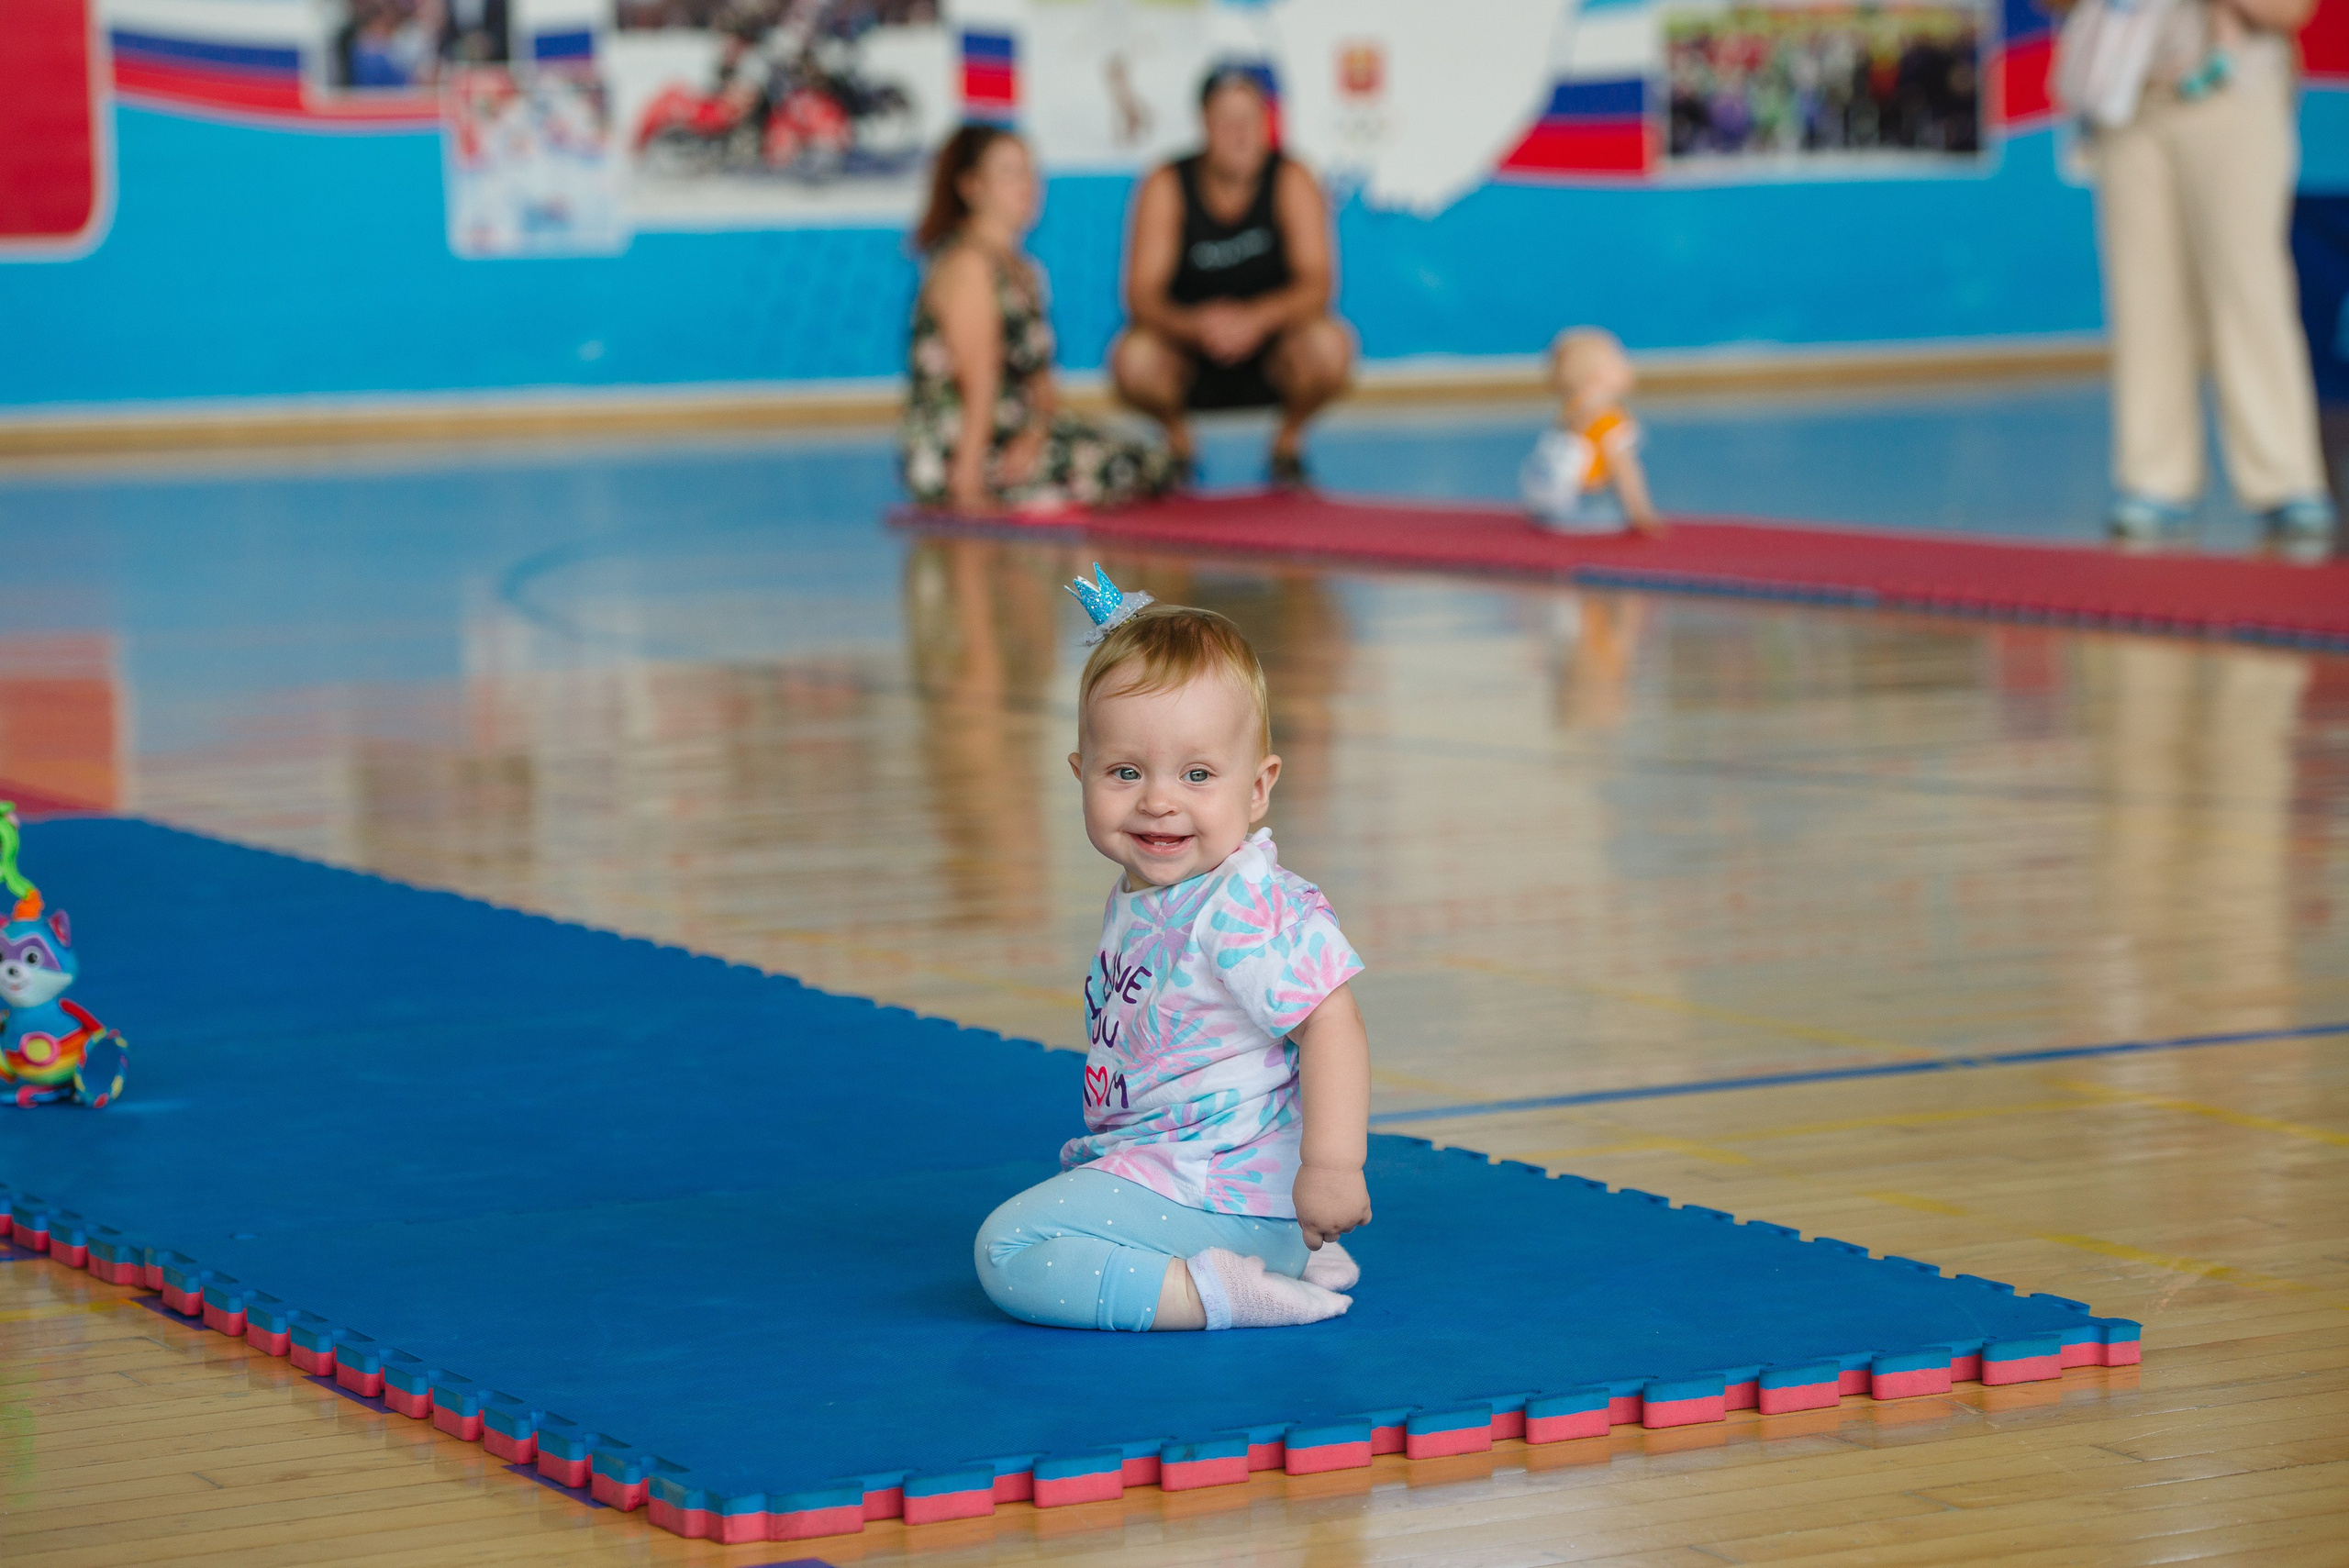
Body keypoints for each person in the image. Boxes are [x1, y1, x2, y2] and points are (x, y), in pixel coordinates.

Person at [973, 575, 1372, 1330]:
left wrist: (1331, 1167)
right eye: (1126, 772)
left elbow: (1331, 1021)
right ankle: (1278, 1253)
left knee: (1010, 1249)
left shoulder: (1242, 899)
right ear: (1080, 773)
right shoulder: (1151, 889)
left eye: (1196, 775)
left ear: (1257, 788)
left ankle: (1219, 1292)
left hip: (1221, 1190)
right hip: (1184, 1172)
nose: (1159, 800)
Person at [2085, 0, 2336, 547]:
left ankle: (2285, 478)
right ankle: (2154, 479)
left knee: (2250, 290)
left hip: (2233, 91)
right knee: (2143, 299)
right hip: (2130, 97)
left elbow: (2291, 10)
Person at [902, 126, 1176, 515]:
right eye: (1009, 174)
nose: (1026, 186)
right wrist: (968, 478)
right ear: (972, 186)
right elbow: (978, 383)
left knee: (1152, 459)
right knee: (1112, 469)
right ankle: (1005, 485)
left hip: (1020, 431)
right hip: (970, 441)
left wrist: (1036, 432)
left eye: (1030, 173)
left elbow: (1040, 378)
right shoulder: (968, 267)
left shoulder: (1025, 271)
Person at [1110, 68, 1353, 489]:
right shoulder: (1166, 184)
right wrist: (1196, 326)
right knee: (1132, 359)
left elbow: (1319, 284)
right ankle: (1179, 442)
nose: (1239, 133)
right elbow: (1141, 295)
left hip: (1274, 352)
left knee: (1333, 346)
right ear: (1203, 124)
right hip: (1188, 353)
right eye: (1226, 120)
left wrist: (1256, 319)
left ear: (1266, 124)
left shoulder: (1293, 179)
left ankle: (1287, 444)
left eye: (1250, 119)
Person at [1520, 328, 1661, 535]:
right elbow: (1625, 471)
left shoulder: (1568, 415)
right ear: (1598, 375)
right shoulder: (1608, 420)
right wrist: (1641, 514)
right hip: (1582, 507)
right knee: (1614, 514)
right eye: (1621, 360)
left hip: (1544, 508)